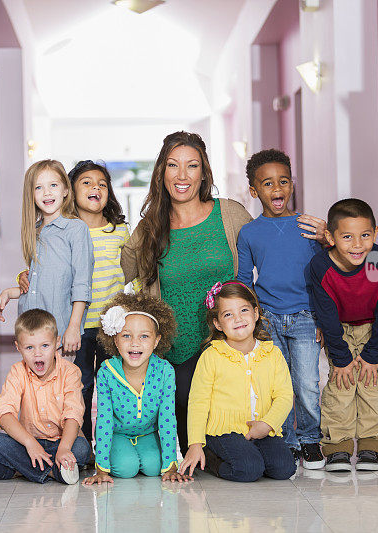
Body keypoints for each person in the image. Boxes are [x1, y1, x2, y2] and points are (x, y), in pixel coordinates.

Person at [120, 131, 253, 453]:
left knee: (236, 447)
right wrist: (29, 275)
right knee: (191, 424)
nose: (182, 176)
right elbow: (114, 269)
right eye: (172, 166)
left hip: (225, 346)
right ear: (161, 173)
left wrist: (322, 238)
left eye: (191, 166)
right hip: (175, 353)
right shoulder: (150, 227)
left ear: (204, 172)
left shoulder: (230, 214)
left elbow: (269, 252)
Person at [19, 160, 134, 441]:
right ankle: (80, 444)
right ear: (71, 190)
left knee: (111, 386)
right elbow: (46, 272)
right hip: (78, 325)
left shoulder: (119, 230)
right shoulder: (59, 229)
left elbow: (134, 272)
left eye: (102, 184)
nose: (95, 187)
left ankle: (111, 443)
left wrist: (135, 308)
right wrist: (21, 278)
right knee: (80, 386)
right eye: (86, 182)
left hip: (110, 325)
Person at [237, 148, 328, 469]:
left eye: (284, 181)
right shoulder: (248, 233)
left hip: (305, 316)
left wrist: (322, 317)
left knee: (306, 381)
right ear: (254, 190)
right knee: (278, 384)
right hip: (268, 318)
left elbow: (324, 275)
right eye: (267, 184)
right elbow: (244, 281)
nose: (277, 189)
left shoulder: (309, 227)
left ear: (292, 185)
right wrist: (250, 321)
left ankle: (310, 439)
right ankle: (286, 440)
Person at [308, 198, 378, 472]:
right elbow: (326, 314)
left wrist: (372, 354)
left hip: (372, 329)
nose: (357, 245)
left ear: (376, 232)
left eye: (365, 235)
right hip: (338, 330)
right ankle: (338, 447)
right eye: (347, 237)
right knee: (340, 386)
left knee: (372, 386)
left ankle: (372, 446)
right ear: (330, 237)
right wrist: (341, 357)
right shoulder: (320, 266)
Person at [179, 281, 296, 482]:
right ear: (217, 324)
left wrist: (267, 425)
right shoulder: (212, 355)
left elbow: (284, 396)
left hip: (261, 429)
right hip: (223, 432)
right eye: (228, 315)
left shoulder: (272, 353)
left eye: (243, 310)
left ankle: (251, 454)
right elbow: (198, 401)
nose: (238, 319)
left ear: (256, 313)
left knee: (285, 468)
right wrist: (195, 444)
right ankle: (211, 459)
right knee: (249, 469)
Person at [83, 292, 189, 484]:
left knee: (154, 467)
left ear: (156, 340)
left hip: (147, 434)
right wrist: (101, 468)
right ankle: (121, 454)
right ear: (115, 340)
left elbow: (167, 418)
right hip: (118, 434)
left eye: (144, 336)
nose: (135, 343)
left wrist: (171, 465)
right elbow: (104, 419)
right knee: (126, 468)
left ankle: (148, 454)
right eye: (126, 336)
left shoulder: (165, 371)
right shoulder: (107, 372)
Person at [0, 160, 94, 356]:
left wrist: (73, 328)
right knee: (33, 387)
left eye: (53, 185)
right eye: (38, 187)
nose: (47, 193)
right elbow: (40, 285)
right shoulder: (35, 231)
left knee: (59, 386)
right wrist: (9, 292)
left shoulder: (76, 229)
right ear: (31, 195)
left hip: (59, 335)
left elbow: (82, 284)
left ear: (65, 190)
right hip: (30, 333)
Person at [0, 309, 91, 484]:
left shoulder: (70, 372)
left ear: (56, 343)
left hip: (60, 442)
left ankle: (16, 469)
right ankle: (53, 473)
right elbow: (4, 414)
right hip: (27, 443)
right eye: (29, 347)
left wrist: (64, 448)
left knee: (82, 449)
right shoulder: (17, 372)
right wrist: (30, 444)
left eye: (45, 346)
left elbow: (73, 414)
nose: (37, 354)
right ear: (18, 347)